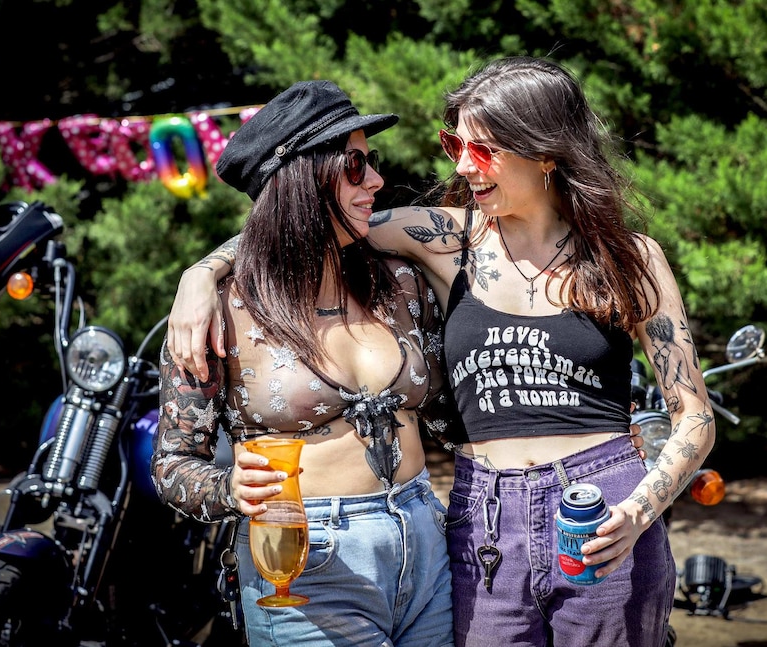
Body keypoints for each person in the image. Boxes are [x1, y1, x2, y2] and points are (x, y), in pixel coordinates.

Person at [165, 56, 714, 647]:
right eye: (455, 143)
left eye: (483, 150)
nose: (460, 165)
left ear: (546, 151)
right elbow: (295, 218)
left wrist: (639, 510)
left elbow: (695, 417)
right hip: (483, 517)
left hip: (602, 504)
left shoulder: (630, 258)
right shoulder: (448, 239)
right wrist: (200, 275)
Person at [151, 80, 464, 647]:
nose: (375, 179)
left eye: (372, 162)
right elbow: (173, 466)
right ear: (303, 179)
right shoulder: (221, 313)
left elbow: (456, 416)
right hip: (303, 565)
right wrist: (229, 490)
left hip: (425, 544)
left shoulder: (399, 282)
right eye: (355, 165)